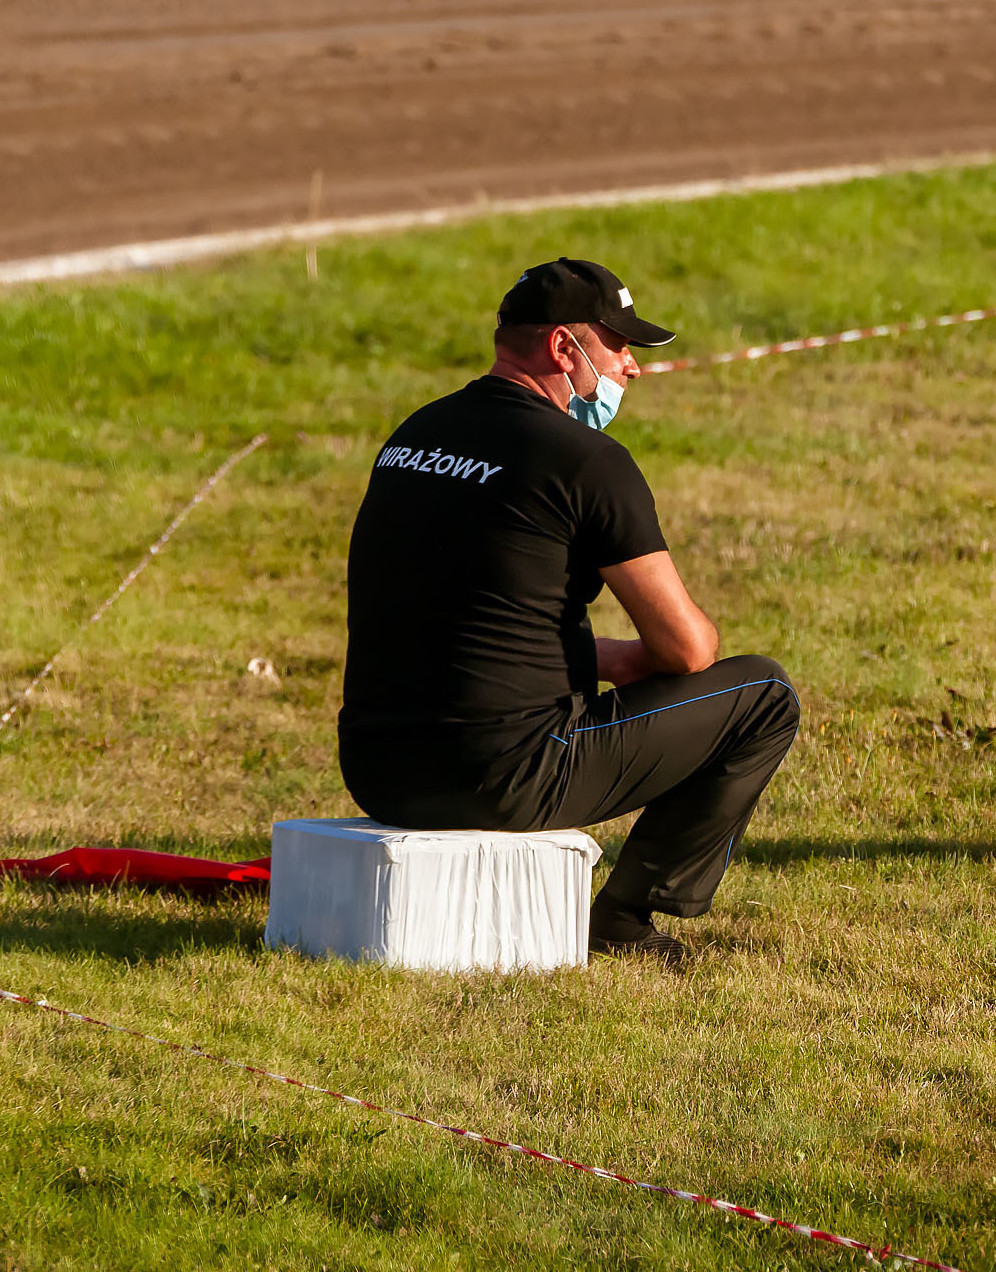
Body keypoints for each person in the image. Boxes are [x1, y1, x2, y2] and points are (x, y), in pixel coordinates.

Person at [339, 256, 802, 967]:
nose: (632, 368)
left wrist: (606, 658)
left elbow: (466, 618)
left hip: (376, 767)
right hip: (502, 776)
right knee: (763, 695)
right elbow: (687, 649)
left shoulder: (412, 436)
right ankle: (623, 917)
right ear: (564, 348)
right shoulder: (585, 459)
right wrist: (649, 663)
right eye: (621, 348)